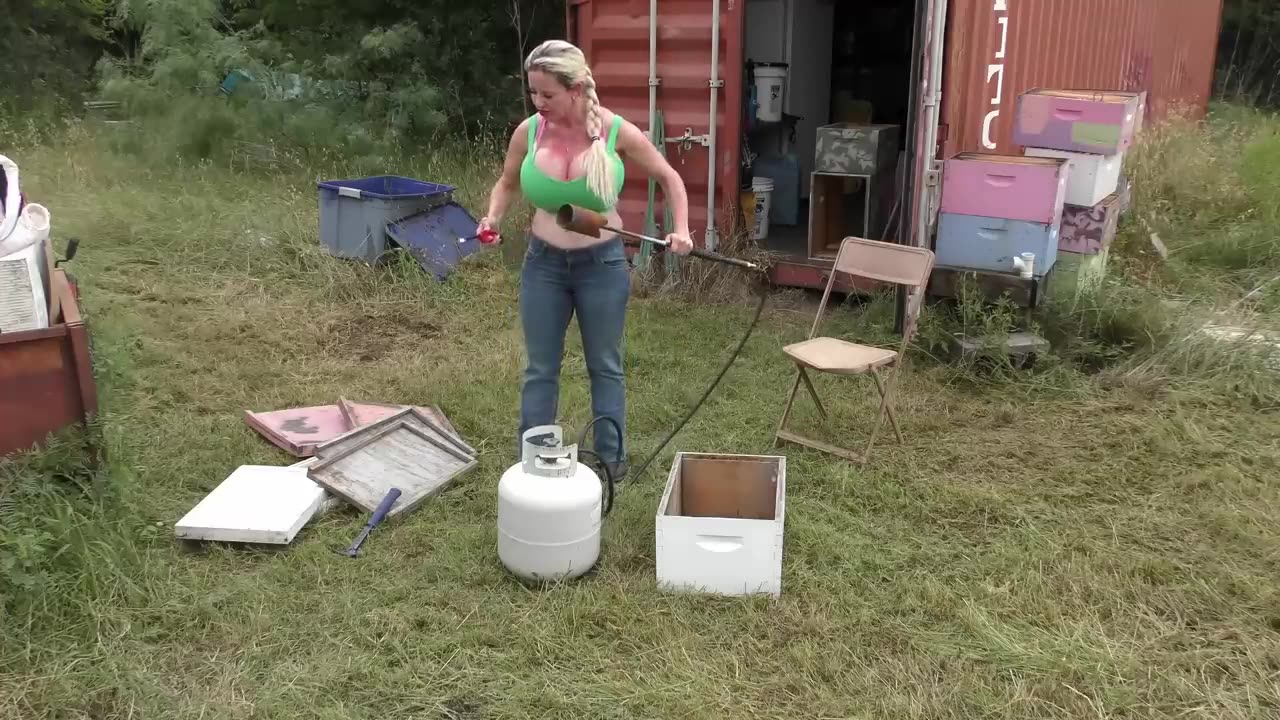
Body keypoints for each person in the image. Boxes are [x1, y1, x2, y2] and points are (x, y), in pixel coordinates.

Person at [478, 39, 694, 481]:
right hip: (543, 264)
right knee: (541, 368)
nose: (539, 103)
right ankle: (533, 461)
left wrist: (683, 229)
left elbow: (669, 177)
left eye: (548, 95)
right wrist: (493, 216)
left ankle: (611, 463)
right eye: (533, 93)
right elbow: (506, 182)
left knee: (605, 366)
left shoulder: (616, 131)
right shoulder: (529, 131)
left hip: (603, 264)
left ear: (576, 89)